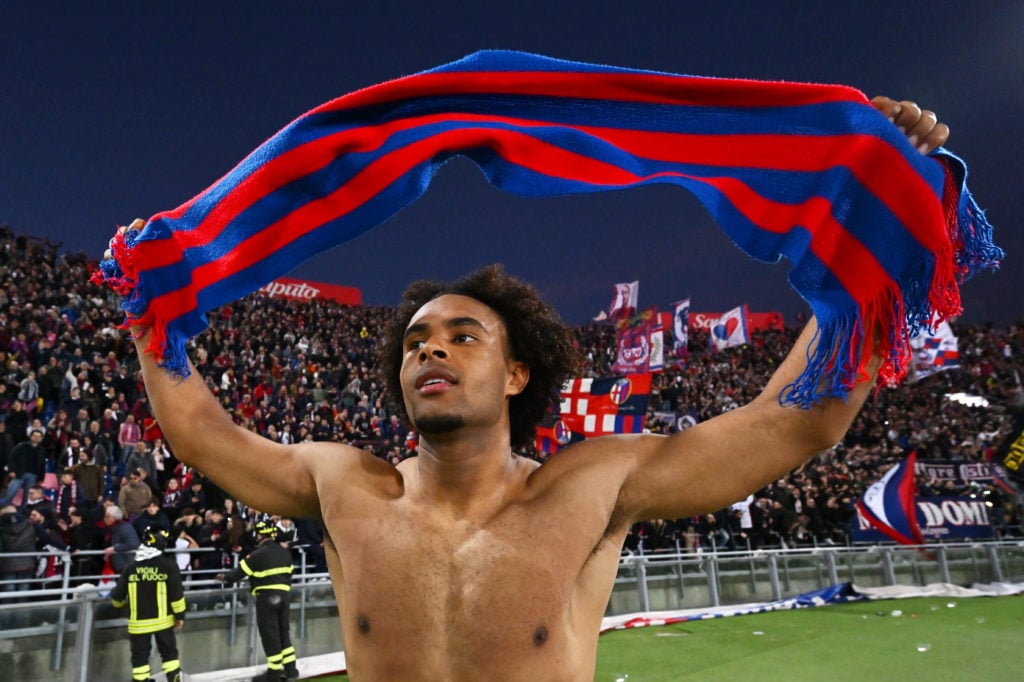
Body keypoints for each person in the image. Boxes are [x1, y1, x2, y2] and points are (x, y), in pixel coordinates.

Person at [121, 99, 948, 679]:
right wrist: (150, 307)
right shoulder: (344, 485)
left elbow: (795, 424)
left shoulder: (593, 485)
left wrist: (873, 232)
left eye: (461, 336)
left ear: (518, 373)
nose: (430, 350)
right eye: (414, 342)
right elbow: (203, 436)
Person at [221, 519, 298, 681]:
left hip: (266, 598)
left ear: (260, 535)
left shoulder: (257, 555)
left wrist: (223, 578)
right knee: (283, 632)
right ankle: (291, 670)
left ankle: (274, 672)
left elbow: (236, 574)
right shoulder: (285, 553)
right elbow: (290, 573)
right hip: (284, 596)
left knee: (270, 634)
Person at [110, 528, 186, 682]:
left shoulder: (131, 568)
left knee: (140, 660)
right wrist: (180, 616)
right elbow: (176, 596)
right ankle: (174, 678)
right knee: (169, 654)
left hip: (138, 625)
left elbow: (117, 597)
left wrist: (120, 606)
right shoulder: (168, 566)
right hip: (163, 622)